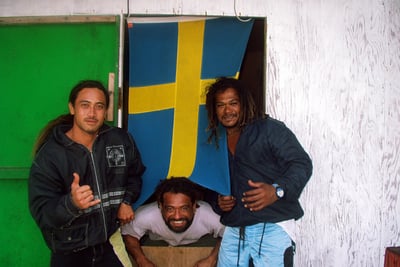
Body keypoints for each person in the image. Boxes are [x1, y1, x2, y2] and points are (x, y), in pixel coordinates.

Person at [28, 80, 146, 267]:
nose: (92, 113)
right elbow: (43, 213)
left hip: (109, 242)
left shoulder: (119, 140)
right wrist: (71, 204)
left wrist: (126, 200)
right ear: (72, 108)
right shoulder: (51, 155)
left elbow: (135, 174)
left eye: (99, 106)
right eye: (85, 105)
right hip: (69, 249)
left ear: (106, 111)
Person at [204, 77, 313, 267]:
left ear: (243, 104)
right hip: (234, 227)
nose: (227, 111)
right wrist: (218, 201)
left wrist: (277, 190)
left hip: (273, 225)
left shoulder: (269, 129)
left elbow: (301, 163)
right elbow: (210, 182)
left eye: (233, 103)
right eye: (220, 105)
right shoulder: (215, 140)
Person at [121, 177, 225, 267]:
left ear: (194, 207)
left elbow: (228, 234)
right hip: (159, 242)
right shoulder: (146, 215)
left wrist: (212, 259)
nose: (177, 216)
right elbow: (129, 233)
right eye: (170, 209)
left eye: (184, 208)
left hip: (201, 241)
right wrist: (141, 260)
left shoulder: (210, 215)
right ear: (160, 206)